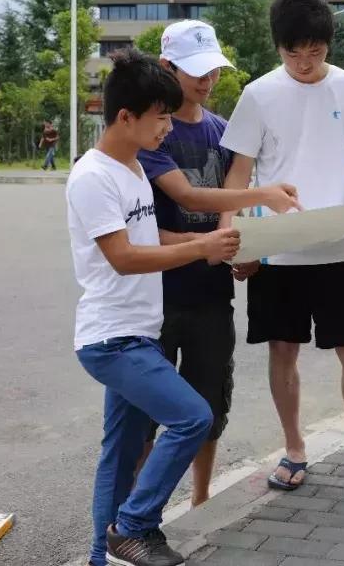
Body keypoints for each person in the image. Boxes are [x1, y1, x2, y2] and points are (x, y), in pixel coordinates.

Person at [219, 0, 344, 491]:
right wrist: (232, 239)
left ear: (329, 45)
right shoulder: (258, 94)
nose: (304, 62)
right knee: (282, 351)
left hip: (335, 247)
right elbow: (237, 177)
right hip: (276, 249)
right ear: (278, 48)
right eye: (292, 52)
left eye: (315, 51)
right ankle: (294, 450)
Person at [66, 47, 242, 566]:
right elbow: (121, 256)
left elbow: (150, 234)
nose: (168, 127)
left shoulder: (132, 169)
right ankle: (135, 526)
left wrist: (212, 245)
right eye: (160, 117)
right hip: (112, 339)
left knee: (120, 456)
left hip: (139, 332)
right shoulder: (93, 176)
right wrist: (198, 249)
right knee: (192, 416)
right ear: (126, 117)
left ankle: (105, 555)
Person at [135, 20, 300, 508]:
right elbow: (180, 198)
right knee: (146, 413)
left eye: (213, 71)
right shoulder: (151, 134)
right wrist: (257, 199)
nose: (207, 82)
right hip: (156, 296)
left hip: (211, 296)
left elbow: (233, 211)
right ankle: (144, 512)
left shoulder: (223, 131)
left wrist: (243, 252)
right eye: (195, 72)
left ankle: (201, 502)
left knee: (209, 406)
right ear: (167, 67)